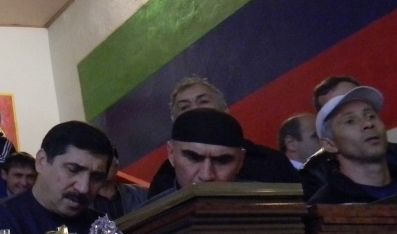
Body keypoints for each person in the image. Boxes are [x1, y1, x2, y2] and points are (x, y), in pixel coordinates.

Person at [148, 78, 298, 196]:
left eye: (203, 101)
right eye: (184, 107)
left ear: (226, 111)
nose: (195, 109)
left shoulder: (270, 162)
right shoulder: (163, 181)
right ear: (172, 153)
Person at [0, 121, 113, 234]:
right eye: (73, 170)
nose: (83, 188)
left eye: (96, 177)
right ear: (41, 161)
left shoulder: (101, 227)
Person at [310, 86, 397, 203]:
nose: (368, 124)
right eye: (350, 121)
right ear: (330, 144)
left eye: (371, 116)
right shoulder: (326, 206)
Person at [152, 108, 247, 200]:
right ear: (171, 153)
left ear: (240, 161)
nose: (206, 176)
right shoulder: (151, 211)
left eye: (221, 161)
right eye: (193, 158)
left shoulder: (257, 209)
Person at [91, 148, 148, 219]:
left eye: (107, 162)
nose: (102, 168)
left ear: (117, 165)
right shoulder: (82, 203)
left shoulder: (140, 193)